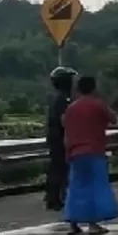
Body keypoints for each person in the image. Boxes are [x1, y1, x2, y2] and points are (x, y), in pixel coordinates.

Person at [62, 75, 118, 235]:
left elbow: (67, 132)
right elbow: (114, 119)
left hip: (75, 152)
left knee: (76, 187)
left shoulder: (71, 108)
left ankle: (73, 223)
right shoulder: (98, 105)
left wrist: (68, 152)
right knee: (95, 187)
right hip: (94, 151)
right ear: (94, 88)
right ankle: (93, 225)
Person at [45, 66, 77, 211]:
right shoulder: (62, 99)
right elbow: (63, 120)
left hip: (56, 137)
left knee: (57, 168)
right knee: (59, 168)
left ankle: (54, 196)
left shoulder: (59, 97)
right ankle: (54, 199)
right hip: (59, 138)